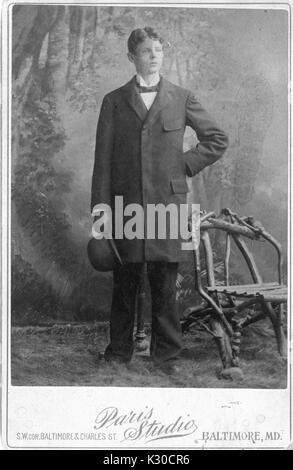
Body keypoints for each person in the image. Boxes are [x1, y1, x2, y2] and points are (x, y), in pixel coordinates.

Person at [91, 27, 228, 374]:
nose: (153, 56)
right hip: (126, 206)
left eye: (158, 50)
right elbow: (102, 164)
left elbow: (217, 139)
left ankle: (166, 354)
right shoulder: (114, 100)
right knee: (125, 279)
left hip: (169, 204)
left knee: (165, 280)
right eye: (146, 50)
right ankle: (119, 351)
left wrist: (183, 164)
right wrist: (101, 217)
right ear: (132, 57)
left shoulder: (181, 97)